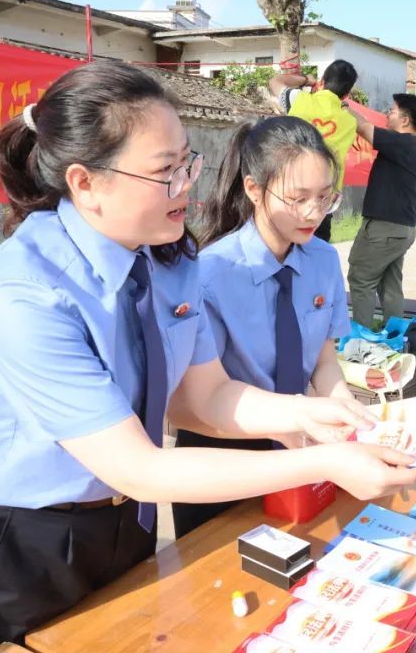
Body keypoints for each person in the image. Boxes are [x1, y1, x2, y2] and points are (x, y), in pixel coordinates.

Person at [0, 60, 416, 653]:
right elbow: (138, 465)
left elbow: (208, 396)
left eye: (187, 164)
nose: (186, 186)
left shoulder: (169, 260)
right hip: (26, 537)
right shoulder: (24, 292)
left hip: (130, 519)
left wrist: (310, 414)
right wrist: (324, 462)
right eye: (164, 172)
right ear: (85, 182)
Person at [172, 116, 356, 537]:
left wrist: (349, 416)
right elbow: (191, 403)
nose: (313, 213)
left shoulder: (323, 260)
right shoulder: (210, 275)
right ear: (254, 190)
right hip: (224, 452)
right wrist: (292, 424)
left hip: (302, 440)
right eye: (298, 198)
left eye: (325, 197)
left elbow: (324, 363)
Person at [346, 93, 416, 328]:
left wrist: (339, 104)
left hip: (384, 228)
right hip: (400, 230)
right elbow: (366, 125)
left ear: (405, 120)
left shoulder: (402, 143)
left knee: (361, 279)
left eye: (391, 111)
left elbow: (363, 127)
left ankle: (360, 339)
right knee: (389, 284)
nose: (386, 114)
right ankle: (394, 337)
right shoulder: (412, 146)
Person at [268, 60, 359, 242]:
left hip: (290, 193)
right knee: (316, 251)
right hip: (323, 202)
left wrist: (306, 80)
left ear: (322, 82)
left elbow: (275, 81)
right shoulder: (350, 122)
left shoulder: (298, 100)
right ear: (347, 94)